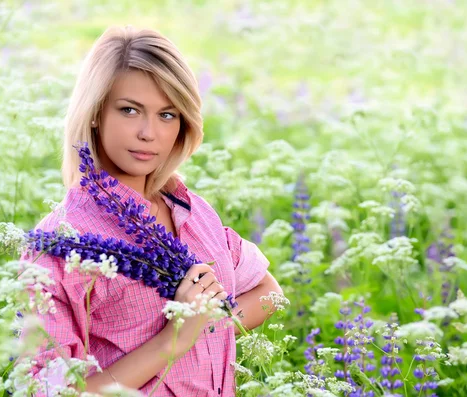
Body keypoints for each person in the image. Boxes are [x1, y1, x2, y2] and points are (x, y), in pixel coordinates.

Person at [22, 25, 283, 396]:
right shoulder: (61, 244)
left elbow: (266, 291)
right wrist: (171, 343)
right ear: (95, 112)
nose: (149, 133)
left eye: (167, 115)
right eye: (130, 110)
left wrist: (203, 328)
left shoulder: (191, 210)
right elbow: (46, 391)